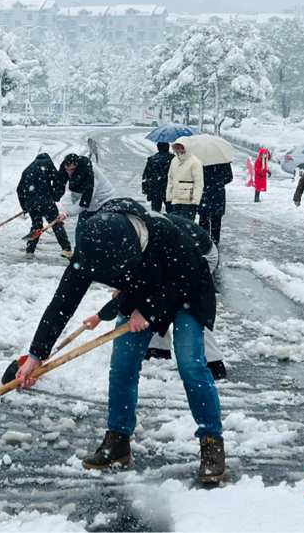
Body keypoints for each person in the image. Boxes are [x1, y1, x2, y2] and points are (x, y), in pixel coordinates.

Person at [16, 198, 225, 483]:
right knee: (122, 367)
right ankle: (118, 439)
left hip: (188, 285)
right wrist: (36, 354)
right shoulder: (92, 245)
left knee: (191, 366)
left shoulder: (163, 234)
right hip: (138, 290)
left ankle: (211, 442)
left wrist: (149, 310)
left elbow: (189, 275)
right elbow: (62, 303)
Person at [145, 212, 227, 380]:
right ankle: (158, 348)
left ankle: (212, 361)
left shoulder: (152, 230)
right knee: (153, 295)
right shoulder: (135, 228)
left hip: (201, 255)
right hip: (178, 254)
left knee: (189, 305)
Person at [17, 153, 73, 260]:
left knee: (36, 225)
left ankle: (30, 251)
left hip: (31, 201)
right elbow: (58, 180)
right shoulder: (48, 164)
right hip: (45, 199)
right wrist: (55, 196)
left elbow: (19, 189)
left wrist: (24, 206)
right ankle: (66, 249)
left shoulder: (27, 170)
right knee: (56, 222)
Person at [56, 154, 117, 246]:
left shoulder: (90, 174)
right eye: (67, 169)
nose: (69, 173)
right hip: (88, 203)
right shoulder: (69, 171)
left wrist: (67, 213)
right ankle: (79, 251)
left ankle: (98, 251)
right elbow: (60, 186)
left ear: (77, 166)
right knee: (81, 230)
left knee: (98, 230)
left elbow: (86, 199)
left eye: (72, 169)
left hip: (103, 200)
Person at [166, 137, 204, 221]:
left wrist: (195, 200)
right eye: (177, 148)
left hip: (188, 201)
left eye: (181, 148)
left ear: (187, 148)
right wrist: (169, 196)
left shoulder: (195, 162)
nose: (179, 151)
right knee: (175, 225)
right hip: (175, 200)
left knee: (187, 225)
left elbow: (198, 182)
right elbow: (170, 178)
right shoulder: (174, 161)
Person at [197, 162, 234, 246]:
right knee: (214, 219)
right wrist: (219, 182)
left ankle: (205, 240)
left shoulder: (202, 161)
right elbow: (229, 177)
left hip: (206, 192)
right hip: (217, 192)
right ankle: (214, 241)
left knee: (205, 218)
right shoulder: (223, 161)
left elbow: (198, 176)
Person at [141, 142, 174, 213]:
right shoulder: (173, 159)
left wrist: (145, 189)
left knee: (155, 211)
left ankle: (156, 219)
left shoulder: (152, 160)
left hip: (155, 188)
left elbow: (146, 175)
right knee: (171, 210)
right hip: (169, 188)